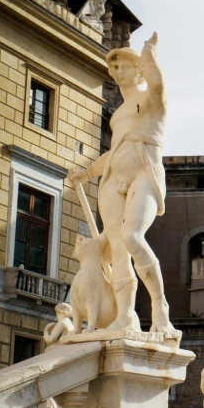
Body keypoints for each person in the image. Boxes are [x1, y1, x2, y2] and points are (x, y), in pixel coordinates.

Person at [66, 32, 173, 334]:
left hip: (144, 173)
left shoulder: (153, 100)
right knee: (116, 247)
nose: (115, 71)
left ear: (139, 68)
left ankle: (159, 307)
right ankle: (125, 315)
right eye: (113, 68)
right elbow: (113, 152)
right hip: (113, 178)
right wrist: (87, 173)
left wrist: (149, 53)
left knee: (131, 235)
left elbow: (159, 83)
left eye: (122, 65)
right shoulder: (118, 115)